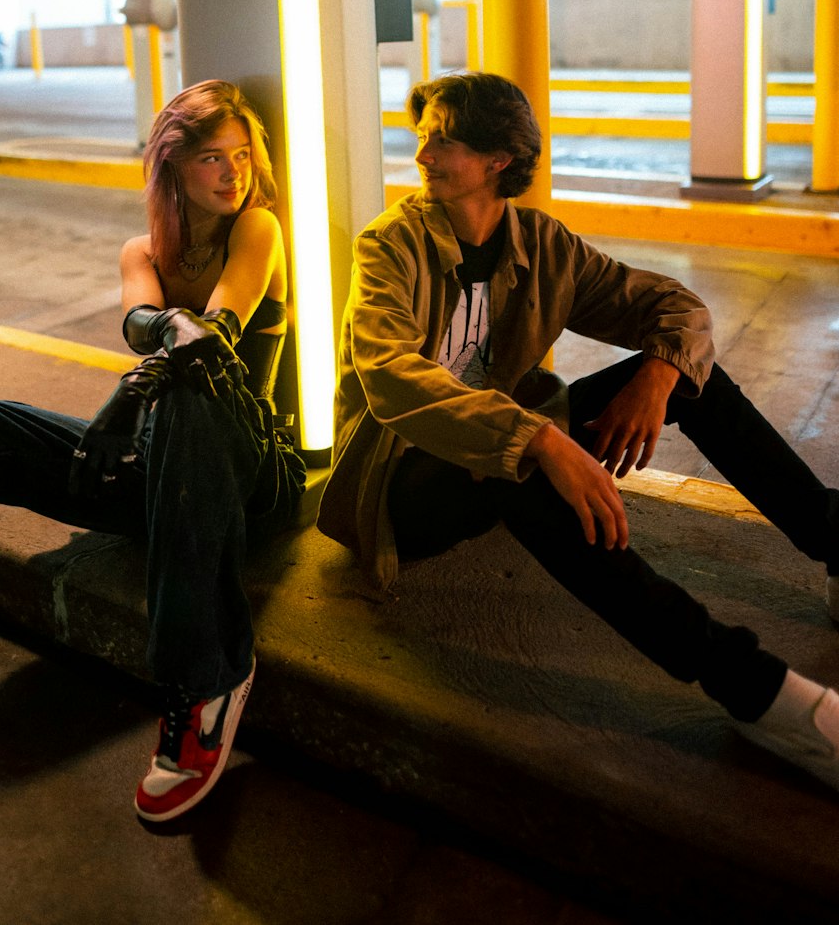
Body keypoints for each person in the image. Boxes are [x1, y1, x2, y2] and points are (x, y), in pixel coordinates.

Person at [318, 70, 839, 792]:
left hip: (497, 454)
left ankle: (833, 540)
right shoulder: (391, 246)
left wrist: (656, 376)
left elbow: (675, 308)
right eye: (424, 135)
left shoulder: (541, 245)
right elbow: (391, 377)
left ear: (500, 158)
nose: (424, 153)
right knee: (525, 464)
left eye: (444, 139)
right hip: (397, 487)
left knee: (692, 378)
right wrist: (540, 440)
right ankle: (755, 690)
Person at [0, 79, 305, 822]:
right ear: (173, 170)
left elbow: (213, 332)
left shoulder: (260, 230)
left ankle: (206, 681)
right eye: (212, 158)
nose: (233, 172)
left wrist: (129, 396)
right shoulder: (143, 249)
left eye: (242, 154)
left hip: (250, 472)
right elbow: (142, 320)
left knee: (189, 386)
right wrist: (135, 389)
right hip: (159, 470)